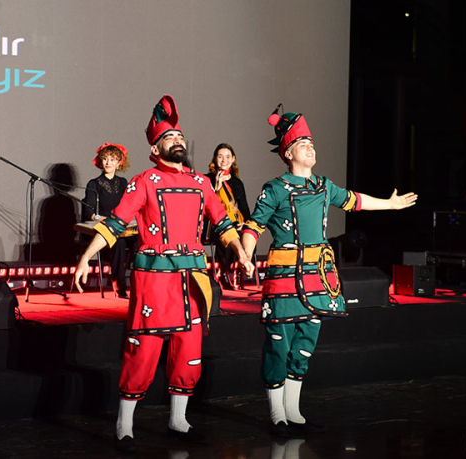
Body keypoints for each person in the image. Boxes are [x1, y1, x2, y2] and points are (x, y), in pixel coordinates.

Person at [73, 95, 254, 452]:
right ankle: (125, 424)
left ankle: (178, 420)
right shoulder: (144, 181)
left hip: (193, 281)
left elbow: (223, 223)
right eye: (170, 137)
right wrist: (86, 256)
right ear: (155, 148)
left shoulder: (201, 182)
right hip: (155, 280)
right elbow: (116, 223)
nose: (178, 141)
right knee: (143, 350)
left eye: (180, 136)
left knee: (189, 349)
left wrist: (241, 252)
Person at [241, 106, 418, 438]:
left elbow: (355, 200)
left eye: (312, 143)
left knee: (305, 343)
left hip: (318, 276)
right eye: (303, 144)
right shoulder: (275, 188)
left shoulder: (324, 186)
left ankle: (294, 413)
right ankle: (277, 415)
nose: (311, 148)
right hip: (285, 277)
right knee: (279, 343)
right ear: (288, 152)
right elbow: (254, 225)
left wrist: (389, 204)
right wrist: (245, 253)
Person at [82, 143, 133, 298]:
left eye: (112, 159)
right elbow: (89, 213)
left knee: (141, 241)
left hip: (123, 227)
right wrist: (110, 220)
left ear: (119, 163)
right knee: (119, 243)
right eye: (105, 159)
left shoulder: (123, 182)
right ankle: (120, 285)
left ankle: (138, 282)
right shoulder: (94, 184)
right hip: (105, 229)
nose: (108, 162)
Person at [205, 143, 251, 290]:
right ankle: (223, 274)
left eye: (227, 157)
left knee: (245, 233)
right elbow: (206, 205)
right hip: (214, 224)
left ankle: (238, 271)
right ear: (215, 159)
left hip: (235, 222)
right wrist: (216, 187)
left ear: (233, 159)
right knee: (225, 233)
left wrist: (245, 223)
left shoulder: (237, 183)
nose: (224, 160)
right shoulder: (207, 179)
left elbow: (244, 208)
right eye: (220, 157)